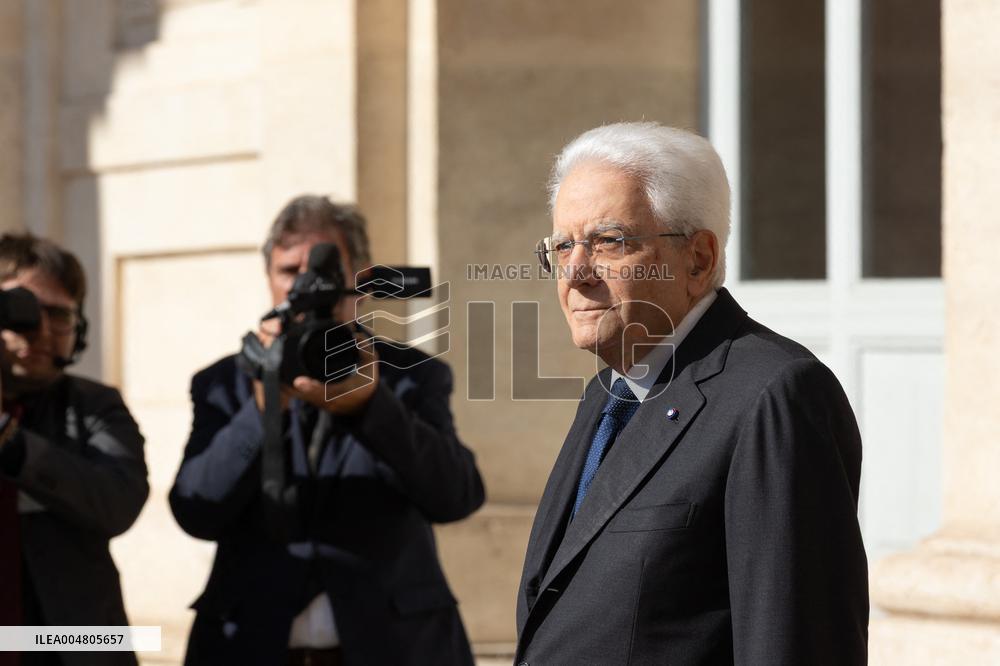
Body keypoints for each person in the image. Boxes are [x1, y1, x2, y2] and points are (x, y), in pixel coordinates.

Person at [516, 123, 868, 665]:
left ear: (698, 259)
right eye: (563, 246)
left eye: (608, 241)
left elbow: (795, 640)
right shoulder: (608, 393)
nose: (576, 272)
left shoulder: (774, 396)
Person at [170, 195, 484, 666]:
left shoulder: (412, 375)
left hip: (392, 648)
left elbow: (456, 497)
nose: (306, 284)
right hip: (253, 646)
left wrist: (374, 408)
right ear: (269, 281)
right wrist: (260, 411)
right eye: (289, 271)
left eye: (322, 269)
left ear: (362, 277)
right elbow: (196, 511)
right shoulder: (224, 382)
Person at [0, 233, 148, 666]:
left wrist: (10, 440)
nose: (42, 331)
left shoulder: (95, 405)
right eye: (24, 310)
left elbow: (117, 503)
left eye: (59, 315)